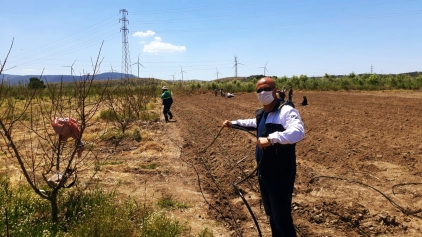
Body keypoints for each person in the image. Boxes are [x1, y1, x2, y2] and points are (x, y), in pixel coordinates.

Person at [222, 77, 305, 237]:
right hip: (264, 173)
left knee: (282, 220)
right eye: (259, 90)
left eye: (266, 89)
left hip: (280, 175)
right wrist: (233, 123)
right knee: (272, 217)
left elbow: (299, 131)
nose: (262, 93)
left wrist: (271, 138)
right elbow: (253, 123)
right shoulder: (264, 114)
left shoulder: (285, 111)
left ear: (275, 91)